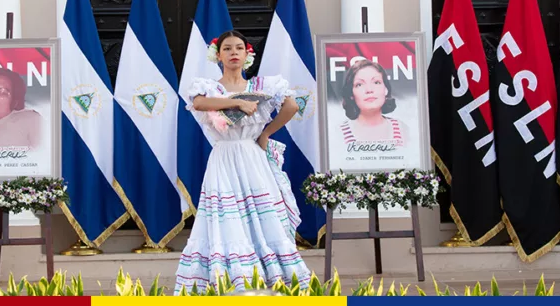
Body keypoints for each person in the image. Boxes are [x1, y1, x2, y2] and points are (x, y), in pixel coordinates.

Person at [173, 30, 311, 294]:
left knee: (261, 217)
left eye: (239, 48)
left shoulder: (262, 87)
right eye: (227, 49)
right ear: (218, 56)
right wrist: (235, 102)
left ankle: (271, 280)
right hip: (224, 157)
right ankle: (230, 281)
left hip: (252, 155)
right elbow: (199, 103)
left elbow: (291, 106)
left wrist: (266, 133)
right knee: (227, 218)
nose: (234, 52)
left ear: (248, 54)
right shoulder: (209, 88)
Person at [338, 59, 410, 148]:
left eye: (376, 82)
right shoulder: (338, 134)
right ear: (351, 94)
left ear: (386, 89)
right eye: (359, 84)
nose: (369, 90)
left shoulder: (403, 130)